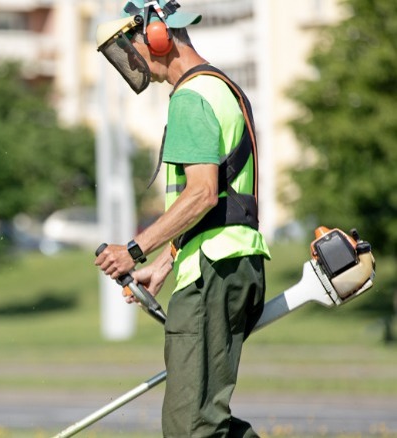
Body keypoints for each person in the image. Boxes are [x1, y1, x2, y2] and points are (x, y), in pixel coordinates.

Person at [93, 1, 271, 437]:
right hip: (231, 266)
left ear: (157, 36)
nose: (128, 62)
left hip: (213, 274)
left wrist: (134, 250)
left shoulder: (191, 98)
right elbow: (223, 201)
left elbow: (203, 194)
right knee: (209, 422)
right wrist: (166, 262)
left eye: (127, 47)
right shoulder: (219, 87)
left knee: (190, 426)